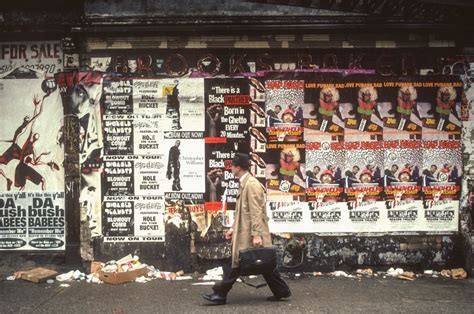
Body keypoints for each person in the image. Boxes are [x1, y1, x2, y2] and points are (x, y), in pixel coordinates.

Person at [203, 153, 291, 305]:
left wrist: (256, 234)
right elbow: (243, 211)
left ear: (237, 168)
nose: (230, 169)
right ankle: (282, 291)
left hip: (250, 233)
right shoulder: (245, 183)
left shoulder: (251, 184)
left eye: (232, 166)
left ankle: (220, 294)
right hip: (245, 231)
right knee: (264, 263)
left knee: (239, 262)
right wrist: (232, 228)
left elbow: (256, 211)